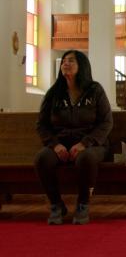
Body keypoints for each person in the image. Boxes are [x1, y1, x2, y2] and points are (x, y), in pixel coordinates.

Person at [34, 50, 113, 225]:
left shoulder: (95, 90)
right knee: (42, 159)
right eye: (63, 61)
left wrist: (85, 143)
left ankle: (83, 204)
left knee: (85, 158)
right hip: (61, 143)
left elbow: (106, 122)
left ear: (82, 66)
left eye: (71, 61)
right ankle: (56, 205)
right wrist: (54, 145)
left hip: (93, 144)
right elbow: (41, 125)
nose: (65, 64)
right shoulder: (54, 93)